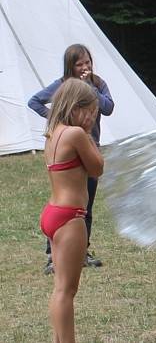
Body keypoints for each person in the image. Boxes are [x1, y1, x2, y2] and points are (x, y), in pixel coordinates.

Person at [29, 43, 114, 274]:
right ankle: (53, 255)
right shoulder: (61, 87)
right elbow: (34, 101)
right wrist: (58, 117)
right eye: (79, 64)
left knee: (86, 202)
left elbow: (108, 108)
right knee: (65, 200)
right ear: (70, 66)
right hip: (71, 152)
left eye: (87, 62)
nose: (85, 67)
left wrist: (89, 88)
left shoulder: (97, 84)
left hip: (90, 146)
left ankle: (81, 249)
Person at [40, 78, 104, 342]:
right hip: (70, 217)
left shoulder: (53, 132)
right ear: (74, 107)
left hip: (53, 213)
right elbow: (97, 168)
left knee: (60, 289)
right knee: (67, 291)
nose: (91, 117)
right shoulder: (77, 134)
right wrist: (88, 133)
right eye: (89, 112)